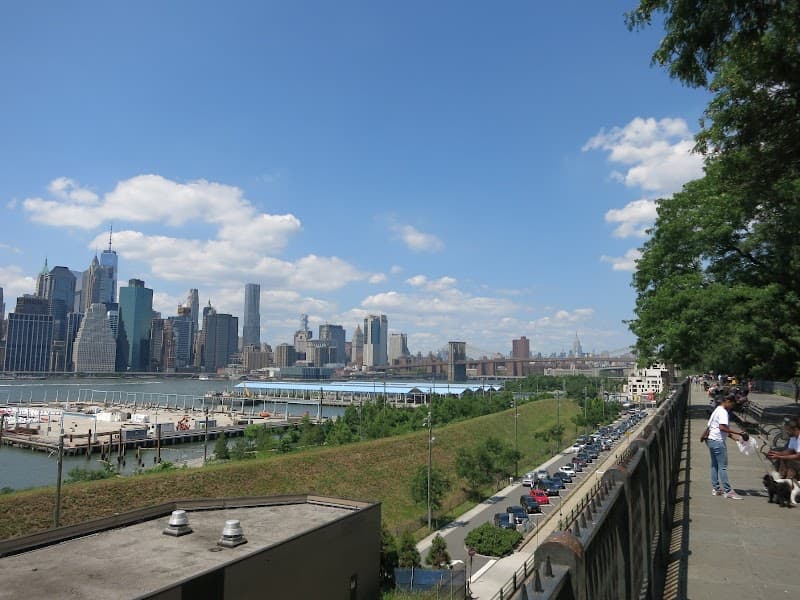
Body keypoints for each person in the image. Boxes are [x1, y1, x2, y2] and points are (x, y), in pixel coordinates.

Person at [705, 394, 746, 499]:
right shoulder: (723, 412)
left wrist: (735, 438)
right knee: (722, 467)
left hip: (711, 440)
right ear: (727, 401)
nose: (732, 406)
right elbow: (722, 428)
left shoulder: (717, 409)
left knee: (714, 465)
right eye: (732, 404)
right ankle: (728, 491)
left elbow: (713, 427)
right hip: (718, 442)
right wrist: (739, 433)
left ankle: (716, 489)